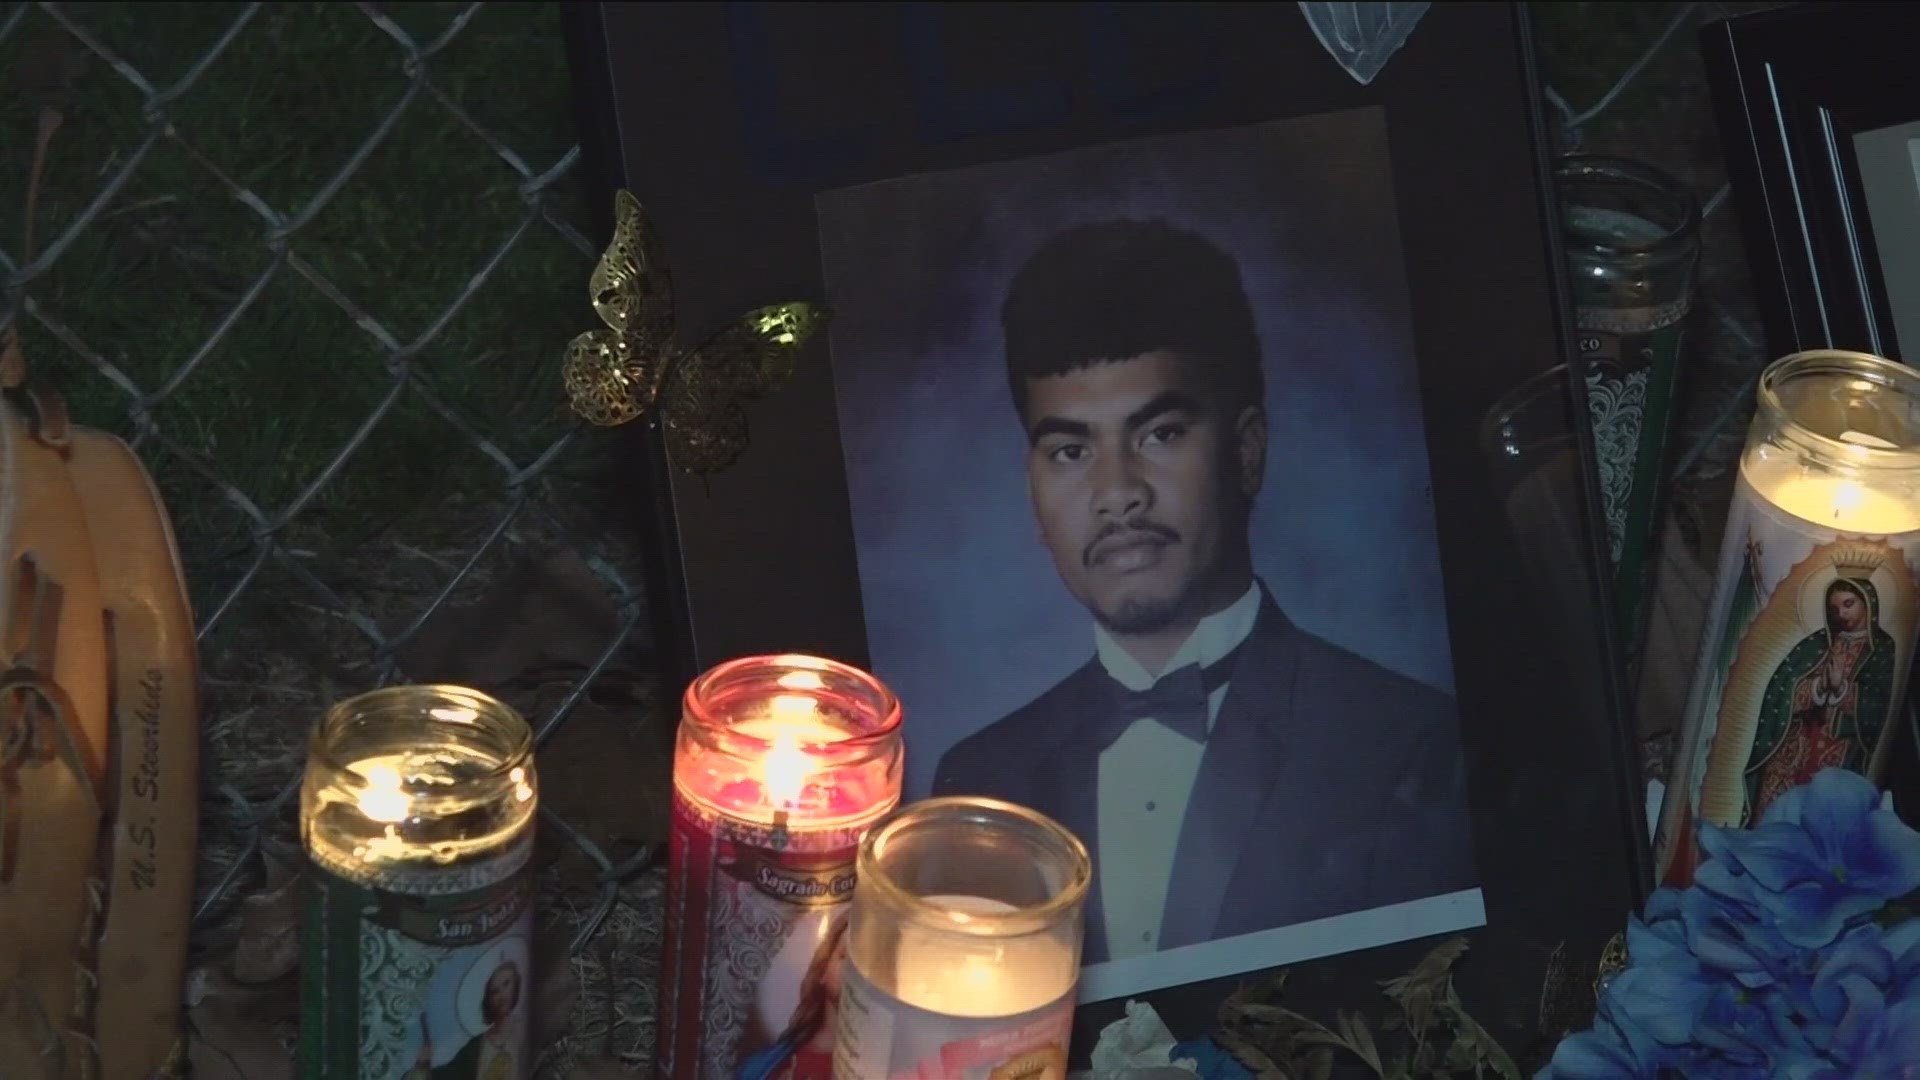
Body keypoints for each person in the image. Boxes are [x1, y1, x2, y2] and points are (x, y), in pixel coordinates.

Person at [931, 219, 1476, 965]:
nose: (1116, 493)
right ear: (1033, 491)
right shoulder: (976, 782)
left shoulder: (1408, 747)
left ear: (1246, 452)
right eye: (1070, 450)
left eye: (1158, 434)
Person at [1745, 576, 1896, 823]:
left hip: (1840, 749)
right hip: (1797, 744)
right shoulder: (1817, 643)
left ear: (1868, 604)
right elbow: (1782, 687)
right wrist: (1817, 686)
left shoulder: (1880, 649)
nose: (1842, 614)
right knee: (1777, 813)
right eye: (1835, 608)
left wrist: (1842, 689)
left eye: (1849, 604)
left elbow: (1878, 705)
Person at [406, 958, 522, 1080]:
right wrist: (422, 1064)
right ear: (488, 1001)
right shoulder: (476, 1047)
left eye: (506, 983)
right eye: (495, 991)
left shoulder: (524, 1031)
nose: (502, 995)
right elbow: (449, 1074)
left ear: (516, 984)